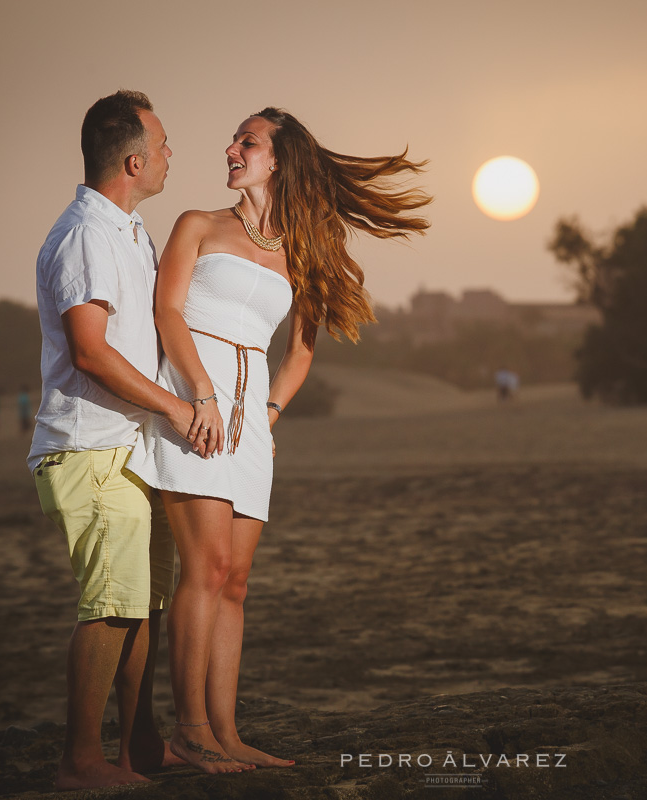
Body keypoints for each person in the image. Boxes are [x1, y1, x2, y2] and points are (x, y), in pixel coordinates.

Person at [127, 108, 430, 772]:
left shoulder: (304, 247)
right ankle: (190, 732)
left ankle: (227, 735)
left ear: (278, 160)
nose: (231, 148)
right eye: (236, 140)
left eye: (248, 141)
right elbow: (166, 312)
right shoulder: (198, 226)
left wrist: (266, 416)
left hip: (249, 430)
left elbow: (298, 355)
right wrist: (200, 395)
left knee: (234, 582)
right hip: (193, 411)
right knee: (202, 572)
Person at [28, 89, 199, 790]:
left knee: (145, 601)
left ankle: (138, 746)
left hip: (134, 446)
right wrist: (177, 409)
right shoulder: (85, 235)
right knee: (112, 604)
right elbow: (92, 353)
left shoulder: (128, 230)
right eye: (162, 146)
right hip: (91, 444)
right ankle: (80, 762)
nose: (170, 157)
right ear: (133, 160)